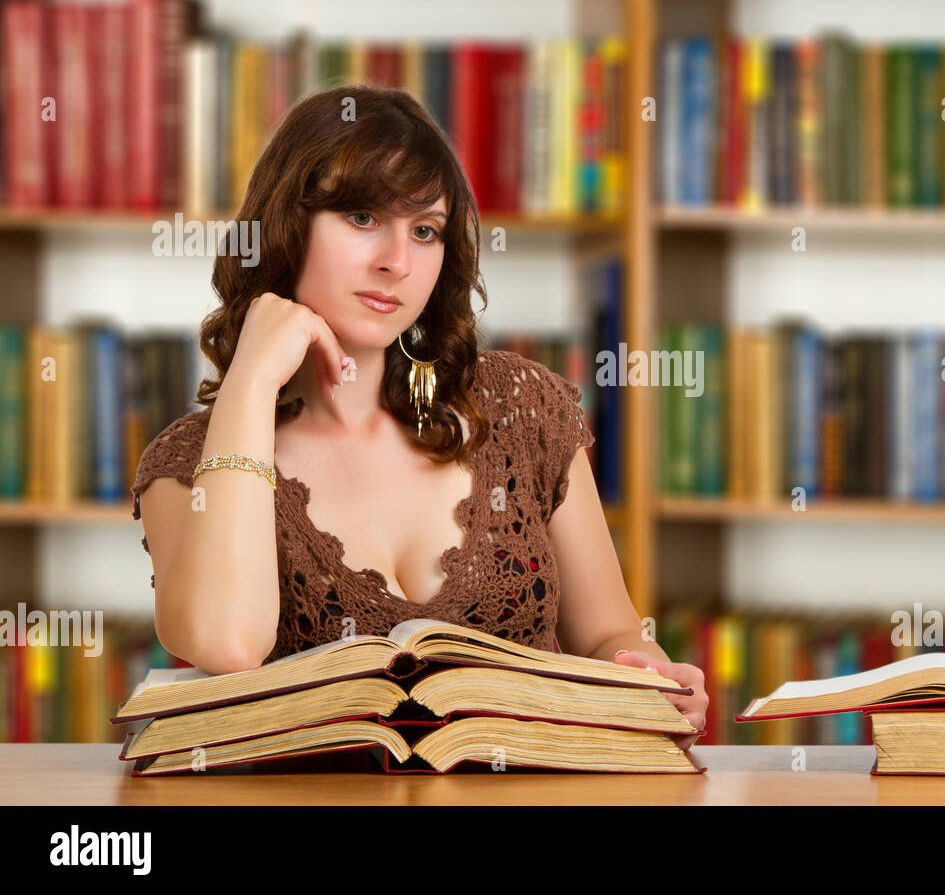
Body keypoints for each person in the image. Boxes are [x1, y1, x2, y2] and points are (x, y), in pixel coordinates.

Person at [131, 83, 707, 746]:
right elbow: (227, 644)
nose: (396, 263)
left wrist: (652, 676)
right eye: (363, 219)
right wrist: (251, 382)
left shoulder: (522, 410)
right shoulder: (186, 464)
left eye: (425, 230)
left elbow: (609, 633)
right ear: (286, 228)